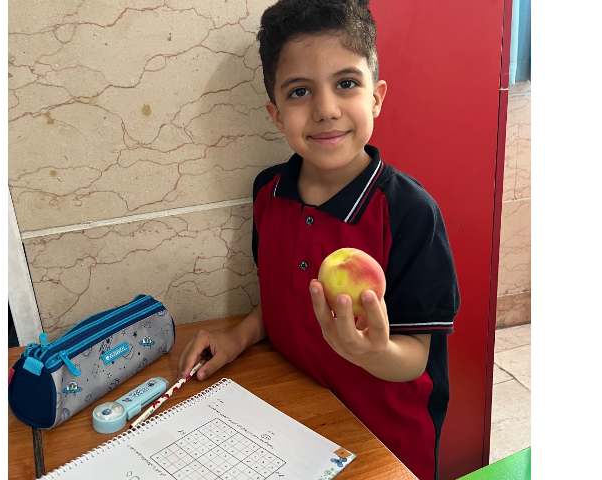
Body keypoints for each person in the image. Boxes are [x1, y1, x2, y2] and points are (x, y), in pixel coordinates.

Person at [178, 1, 460, 478]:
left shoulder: (410, 214)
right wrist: (237, 337)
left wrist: (374, 353)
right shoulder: (268, 193)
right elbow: (282, 298)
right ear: (275, 113)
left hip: (385, 442)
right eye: (300, 91)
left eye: (346, 83)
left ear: (376, 97)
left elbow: (416, 357)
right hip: (294, 419)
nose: (326, 110)